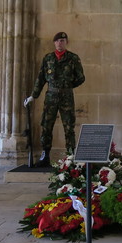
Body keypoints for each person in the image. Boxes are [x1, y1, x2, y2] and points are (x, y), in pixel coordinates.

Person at [24, 32, 85, 165]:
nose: (60, 43)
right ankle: (45, 156)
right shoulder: (48, 58)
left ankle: (71, 156)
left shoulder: (73, 58)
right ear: (54, 43)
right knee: (46, 125)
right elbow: (41, 79)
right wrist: (33, 96)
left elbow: (81, 78)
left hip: (66, 97)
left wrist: (67, 86)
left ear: (66, 42)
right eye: (57, 41)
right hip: (51, 96)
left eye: (62, 41)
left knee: (69, 127)